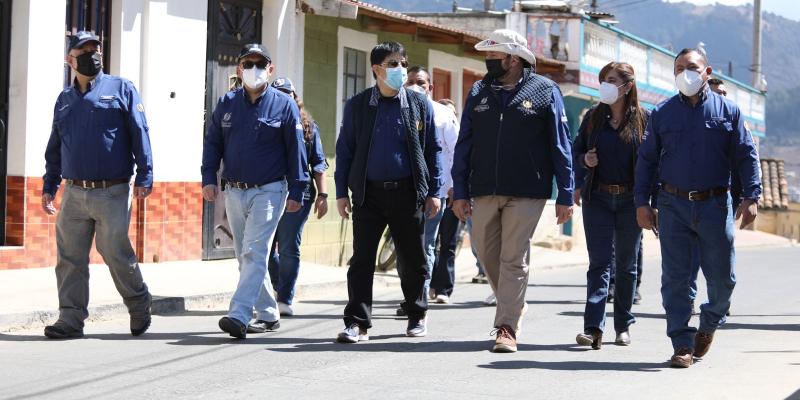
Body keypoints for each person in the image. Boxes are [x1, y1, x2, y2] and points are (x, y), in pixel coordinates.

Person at [635, 48, 760, 368]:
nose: (685, 73)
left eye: (691, 67)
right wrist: (642, 203)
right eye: (679, 68)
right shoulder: (661, 113)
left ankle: (709, 322)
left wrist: (751, 197)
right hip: (672, 204)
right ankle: (681, 343)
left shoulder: (728, 111)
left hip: (715, 206)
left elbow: (746, 156)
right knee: (676, 280)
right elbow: (647, 160)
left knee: (723, 280)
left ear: (707, 71)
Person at [452, 29, 574, 353]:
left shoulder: (546, 90)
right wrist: (460, 190)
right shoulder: (478, 92)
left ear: (514, 58)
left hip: (527, 189)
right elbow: (465, 144)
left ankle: (506, 326)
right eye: (487, 56)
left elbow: (561, 146)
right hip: (483, 188)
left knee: (513, 256)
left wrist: (566, 192)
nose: (488, 62)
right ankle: (513, 302)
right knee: (484, 249)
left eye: (494, 56)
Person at [42, 31, 154, 339]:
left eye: (96, 49)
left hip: (113, 190)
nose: (92, 55)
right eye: (84, 50)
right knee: (69, 259)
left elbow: (139, 132)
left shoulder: (121, 89)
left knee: (115, 251)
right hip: (74, 192)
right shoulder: (64, 100)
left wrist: (145, 174)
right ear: (70, 59)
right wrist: (49, 185)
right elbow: (56, 146)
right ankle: (70, 318)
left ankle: (138, 302)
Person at [334, 41, 443, 343]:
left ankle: (417, 314)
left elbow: (433, 149)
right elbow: (345, 151)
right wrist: (341, 192)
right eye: (393, 64)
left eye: (403, 63)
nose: (400, 70)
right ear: (376, 70)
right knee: (362, 260)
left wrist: (434, 190)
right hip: (368, 195)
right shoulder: (358, 106)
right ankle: (357, 323)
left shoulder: (419, 105)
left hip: (408, 194)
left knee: (413, 259)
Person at [202, 44, 309, 339]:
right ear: (239, 69)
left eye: (260, 64)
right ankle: (269, 314)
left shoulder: (283, 105)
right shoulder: (227, 103)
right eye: (247, 63)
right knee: (246, 255)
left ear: (270, 69)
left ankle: (238, 314)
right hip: (234, 191)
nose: (253, 69)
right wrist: (208, 177)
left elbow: (296, 150)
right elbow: (212, 143)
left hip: (270, 190)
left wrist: (298, 189)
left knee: (254, 251)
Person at [572, 62, 648, 349]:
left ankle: (623, 325)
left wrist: (649, 201)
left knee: (626, 265)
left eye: (612, 79)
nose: (605, 84)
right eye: (603, 79)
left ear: (627, 86)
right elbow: (576, 150)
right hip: (598, 199)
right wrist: (584, 162)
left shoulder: (644, 119)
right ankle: (593, 328)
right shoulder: (592, 118)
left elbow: (653, 161)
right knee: (599, 263)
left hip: (631, 200)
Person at [267, 77, 329, 317]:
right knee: (266, 248)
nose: (283, 98)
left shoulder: (308, 127)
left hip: (299, 193)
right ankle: (276, 284)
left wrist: (323, 194)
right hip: (268, 191)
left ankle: (285, 297)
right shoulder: (266, 123)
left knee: (289, 246)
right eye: (278, 94)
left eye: (287, 94)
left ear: (295, 98)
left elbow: (319, 163)